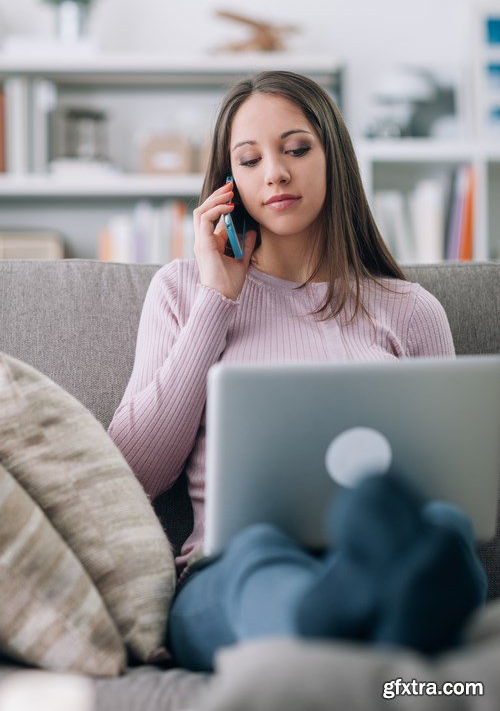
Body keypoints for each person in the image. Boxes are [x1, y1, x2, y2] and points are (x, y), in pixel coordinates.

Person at [108, 70, 487, 672]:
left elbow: (450, 487)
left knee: (437, 523)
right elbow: (131, 475)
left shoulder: (410, 311)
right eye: (250, 160)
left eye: (296, 149)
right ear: (229, 183)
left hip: (369, 554)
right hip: (230, 571)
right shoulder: (181, 292)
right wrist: (217, 301)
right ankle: (349, 623)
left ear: (333, 157)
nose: (275, 174)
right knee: (259, 550)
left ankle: (368, 612)